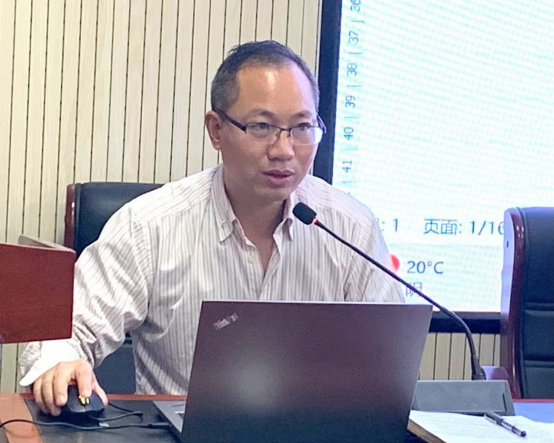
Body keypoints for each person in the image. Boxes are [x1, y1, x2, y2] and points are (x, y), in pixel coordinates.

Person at [19, 40, 403, 416]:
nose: (284, 150)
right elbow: (62, 332)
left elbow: (390, 359)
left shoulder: (350, 227)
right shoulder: (150, 226)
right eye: (262, 126)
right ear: (216, 130)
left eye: (301, 127)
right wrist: (62, 364)